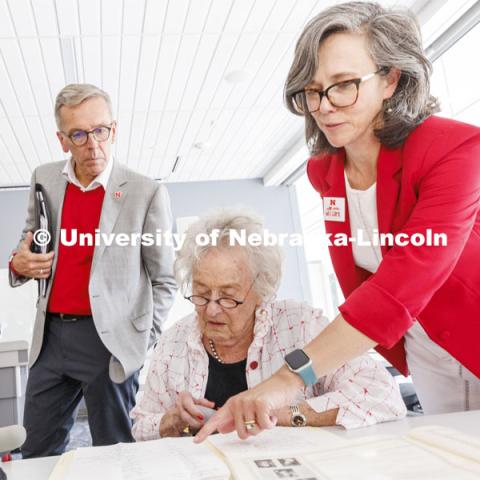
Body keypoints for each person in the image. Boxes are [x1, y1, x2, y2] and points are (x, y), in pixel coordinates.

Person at [195, 2, 480, 442]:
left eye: (343, 85)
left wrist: (287, 380)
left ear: (390, 79)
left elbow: (402, 281)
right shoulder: (324, 172)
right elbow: (363, 281)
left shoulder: (455, 149)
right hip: (424, 349)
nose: (324, 106)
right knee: (453, 454)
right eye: (312, 90)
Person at [130, 208, 406, 440]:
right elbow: (140, 427)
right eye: (201, 294)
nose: (211, 309)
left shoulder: (300, 325)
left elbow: (384, 398)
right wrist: (171, 422)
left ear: (261, 291)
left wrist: (282, 414)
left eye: (228, 297)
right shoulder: (173, 343)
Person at [8, 84, 177, 457]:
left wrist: (140, 340)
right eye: (79, 135)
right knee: (36, 449)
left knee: (116, 451)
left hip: (110, 344)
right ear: (62, 140)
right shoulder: (44, 178)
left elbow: (165, 278)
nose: (92, 144)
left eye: (100, 131)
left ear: (113, 130)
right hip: (50, 339)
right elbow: (27, 244)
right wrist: (18, 265)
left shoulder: (145, 192)